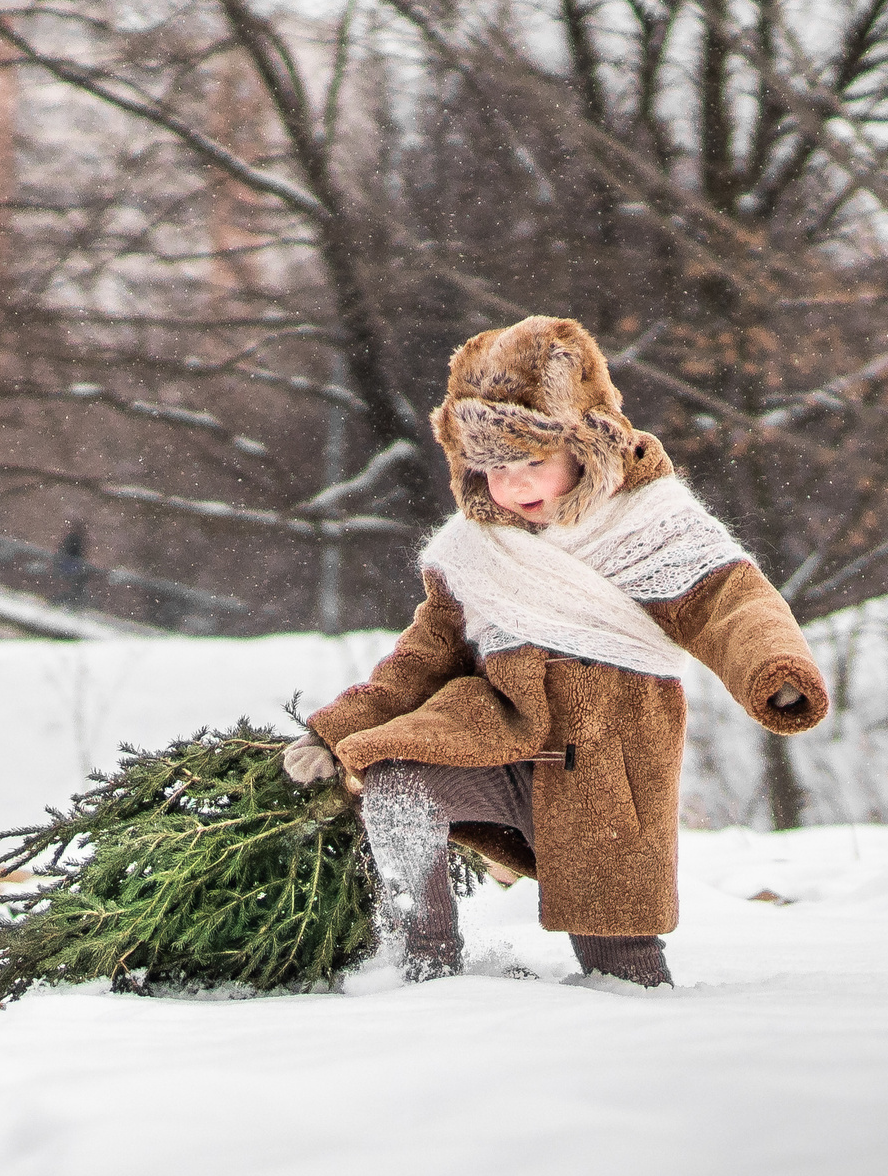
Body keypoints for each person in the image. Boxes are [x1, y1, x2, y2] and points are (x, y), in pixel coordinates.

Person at [284, 316, 829, 987]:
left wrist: (773, 669)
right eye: (493, 469)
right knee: (398, 782)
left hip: (606, 776)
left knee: (620, 965)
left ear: (588, 444)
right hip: (499, 749)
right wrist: (337, 729)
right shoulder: (473, 552)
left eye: (531, 463)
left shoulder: (657, 527)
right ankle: (427, 964)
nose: (513, 487)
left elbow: (734, 604)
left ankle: (649, 1026)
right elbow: (422, 658)